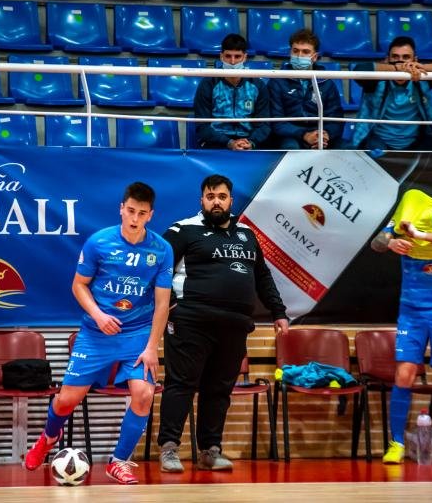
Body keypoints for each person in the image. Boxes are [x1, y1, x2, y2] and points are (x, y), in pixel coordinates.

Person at [24, 182, 173, 485]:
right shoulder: (98, 243)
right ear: (121, 208)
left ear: (150, 215)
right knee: (67, 400)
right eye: (130, 211)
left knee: (144, 393)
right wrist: (98, 314)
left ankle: (119, 462)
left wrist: (151, 346)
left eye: (141, 213)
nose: (134, 218)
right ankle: (49, 438)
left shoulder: (162, 250)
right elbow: (78, 285)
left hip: (137, 333)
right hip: (96, 332)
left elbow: (162, 304)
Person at [157, 174, 289, 473]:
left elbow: (262, 276)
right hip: (191, 321)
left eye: (221, 196)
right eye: (210, 196)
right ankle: (169, 449)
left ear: (231, 200)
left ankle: (210, 450)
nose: (216, 201)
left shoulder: (247, 235)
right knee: (181, 384)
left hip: (235, 325)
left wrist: (278, 311)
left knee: (218, 389)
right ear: (202, 200)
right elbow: (158, 270)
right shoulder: (182, 230)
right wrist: (174, 308)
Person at [370, 189, 432, 465]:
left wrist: (420, 236)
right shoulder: (401, 217)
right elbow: (377, 243)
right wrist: (389, 243)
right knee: (404, 375)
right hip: (411, 311)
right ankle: (397, 444)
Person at [350, 35, 432, 151]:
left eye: (406, 57)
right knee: (374, 151)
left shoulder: (423, 79)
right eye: (395, 57)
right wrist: (398, 69)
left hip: (415, 142)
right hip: (379, 141)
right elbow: (359, 69)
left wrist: (424, 67)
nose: (400, 61)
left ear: (414, 60)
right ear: (387, 59)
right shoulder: (375, 81)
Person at [267, 28, 344, 149]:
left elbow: (336, 119)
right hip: (290, 135)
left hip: (319, 133)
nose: (299, 56)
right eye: (295, 51)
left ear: (314, 57)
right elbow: (276, 122)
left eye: (305, 52)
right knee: (291, 147)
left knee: (347, 147)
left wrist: (325, 135)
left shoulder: (327, 82)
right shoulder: (277, 81)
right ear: (290, 53)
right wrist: (304, 134)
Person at [193, 34, 271, 150]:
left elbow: (264, 125)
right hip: (216, 143)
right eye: (228, 56)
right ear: (221, 57)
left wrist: (251, 142)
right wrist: (229, 142)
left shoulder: (258, 85)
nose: (233, 62)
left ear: (245, 57)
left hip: (248, 142)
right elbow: (202, 126)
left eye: (237, 56)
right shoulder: (208, 83)